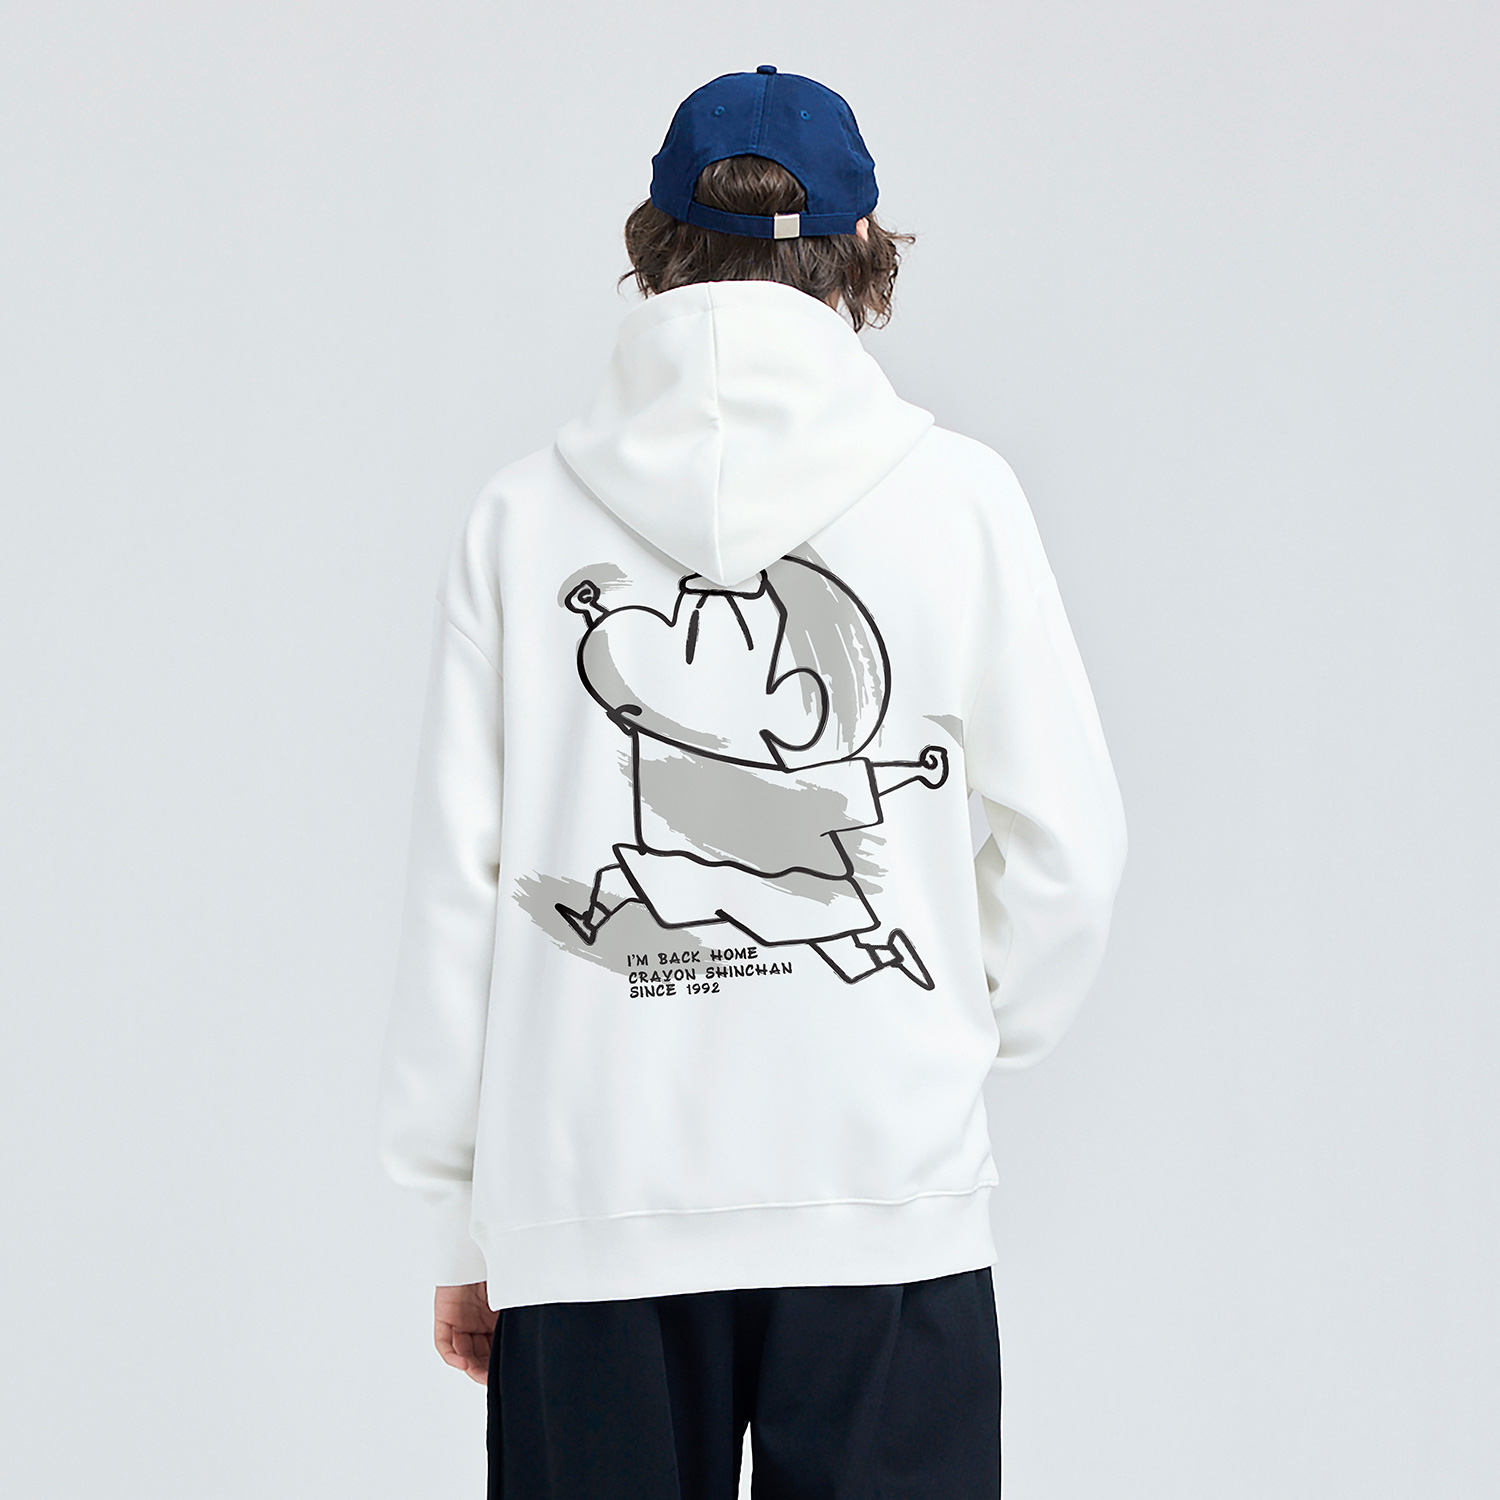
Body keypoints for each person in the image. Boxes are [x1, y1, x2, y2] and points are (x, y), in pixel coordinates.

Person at [377, 65, 1127, 1500]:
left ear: (654, 245)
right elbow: (1069, 849)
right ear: (865, 249)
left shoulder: (520, 518)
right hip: (882, 1191)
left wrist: (461, 1220)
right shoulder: (961, 498)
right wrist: (949, 1031)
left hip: (589, 1202)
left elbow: (458, 892)